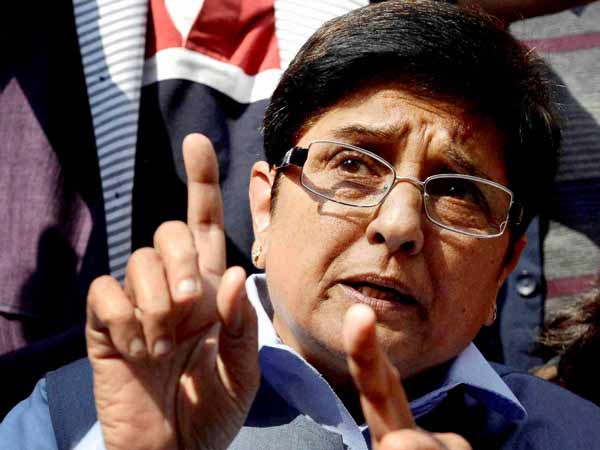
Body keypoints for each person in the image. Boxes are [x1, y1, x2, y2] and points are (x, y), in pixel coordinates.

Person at [3, 2, 600, 449]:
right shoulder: (76, 417)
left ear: (505, 267)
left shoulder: (577, 434)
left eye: (457, 192)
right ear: (264, 209)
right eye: (353, 166)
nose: (398, 225)